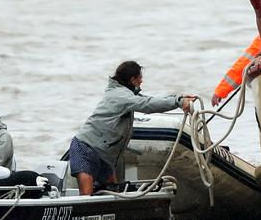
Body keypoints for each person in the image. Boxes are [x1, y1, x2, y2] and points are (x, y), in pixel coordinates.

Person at [67, 61, 192, 196]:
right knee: (86, 195)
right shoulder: (121, 96)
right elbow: (147, 104)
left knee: (113, 191)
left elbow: (152, 99)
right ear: (132, 79)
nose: (142, 81)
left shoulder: (125, 94)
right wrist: (178, 102)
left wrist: (179, 99)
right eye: (140, 78)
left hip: (104, 155)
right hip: (86, 148)